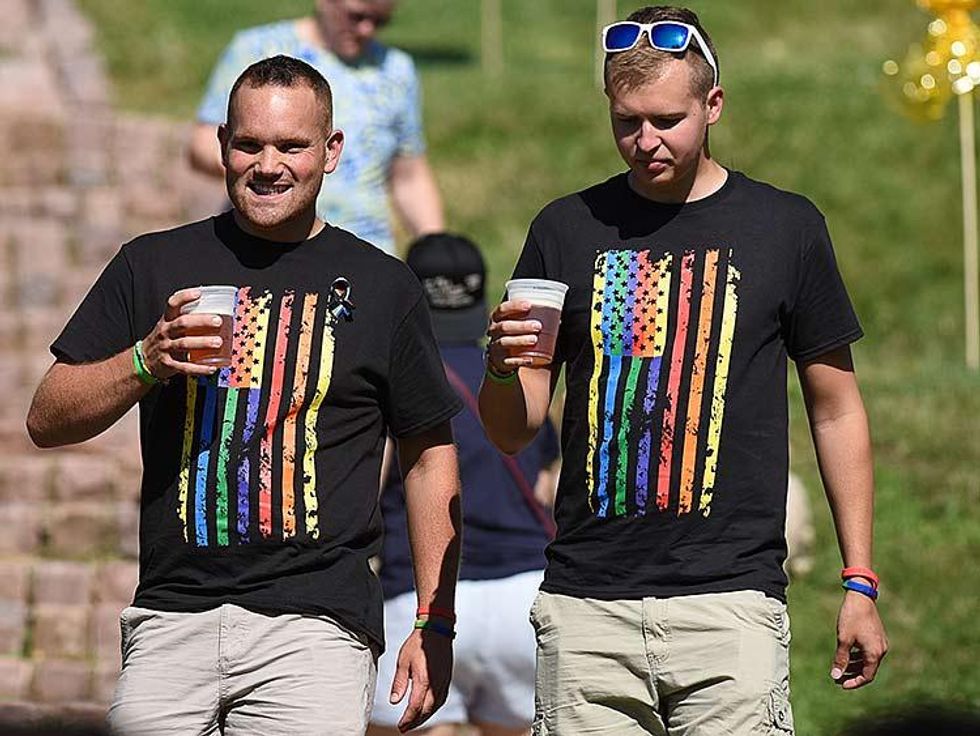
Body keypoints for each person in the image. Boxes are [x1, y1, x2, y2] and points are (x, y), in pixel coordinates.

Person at [479, 6, 889, 735]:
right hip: (587, 607)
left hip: (730, 603)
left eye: (667, 120)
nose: (645, 142)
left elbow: (837, 408)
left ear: (714, 105)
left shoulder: (785, 227)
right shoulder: (565, 229)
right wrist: (504, 370)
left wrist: (859, 579)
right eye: (626, 121)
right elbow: (516, 432)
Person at [27, 55, 462, 736]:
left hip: (317, 623)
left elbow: (428, 455)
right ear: (223, 144)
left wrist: (435, 622)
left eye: (292, 145)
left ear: (331, 151)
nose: (269, 164)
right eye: (249, 143)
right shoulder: (153, 263)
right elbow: (47, 418)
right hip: (173, 614)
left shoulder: (383, 286)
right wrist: (146, 359)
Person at [369, 234, 561, 736]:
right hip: (523, 592)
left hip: (419, 596)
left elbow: (369, 487)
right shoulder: (511, 381)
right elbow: (546, 486)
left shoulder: (389, 381)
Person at [189, 0, 444, 257]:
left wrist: (437, 248)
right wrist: (275, 177)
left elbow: (409, 176)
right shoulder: (257, 48)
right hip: (268, 244)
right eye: (356, 16)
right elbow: (202, 144)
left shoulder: (396, 70)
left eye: (379, 21)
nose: (367, 30)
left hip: (365, 251)